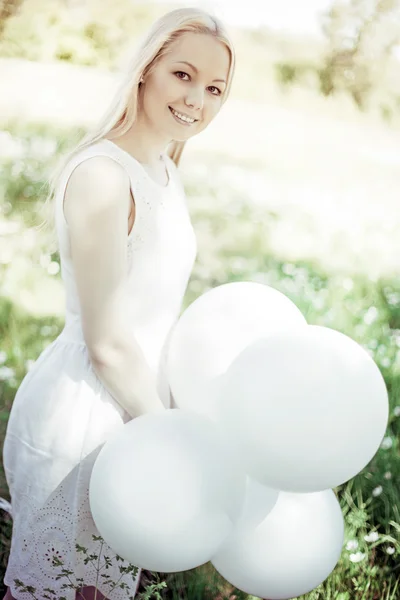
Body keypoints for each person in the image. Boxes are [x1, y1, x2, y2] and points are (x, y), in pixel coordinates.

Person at [1, 6, 235, 600]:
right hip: (83, 418)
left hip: (134, 414)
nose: (197, 101)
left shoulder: (162, 166)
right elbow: (106, 341)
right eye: (183, 75)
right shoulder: (104, 175)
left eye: (214, 88)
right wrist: (175, 438)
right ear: (146, 69)